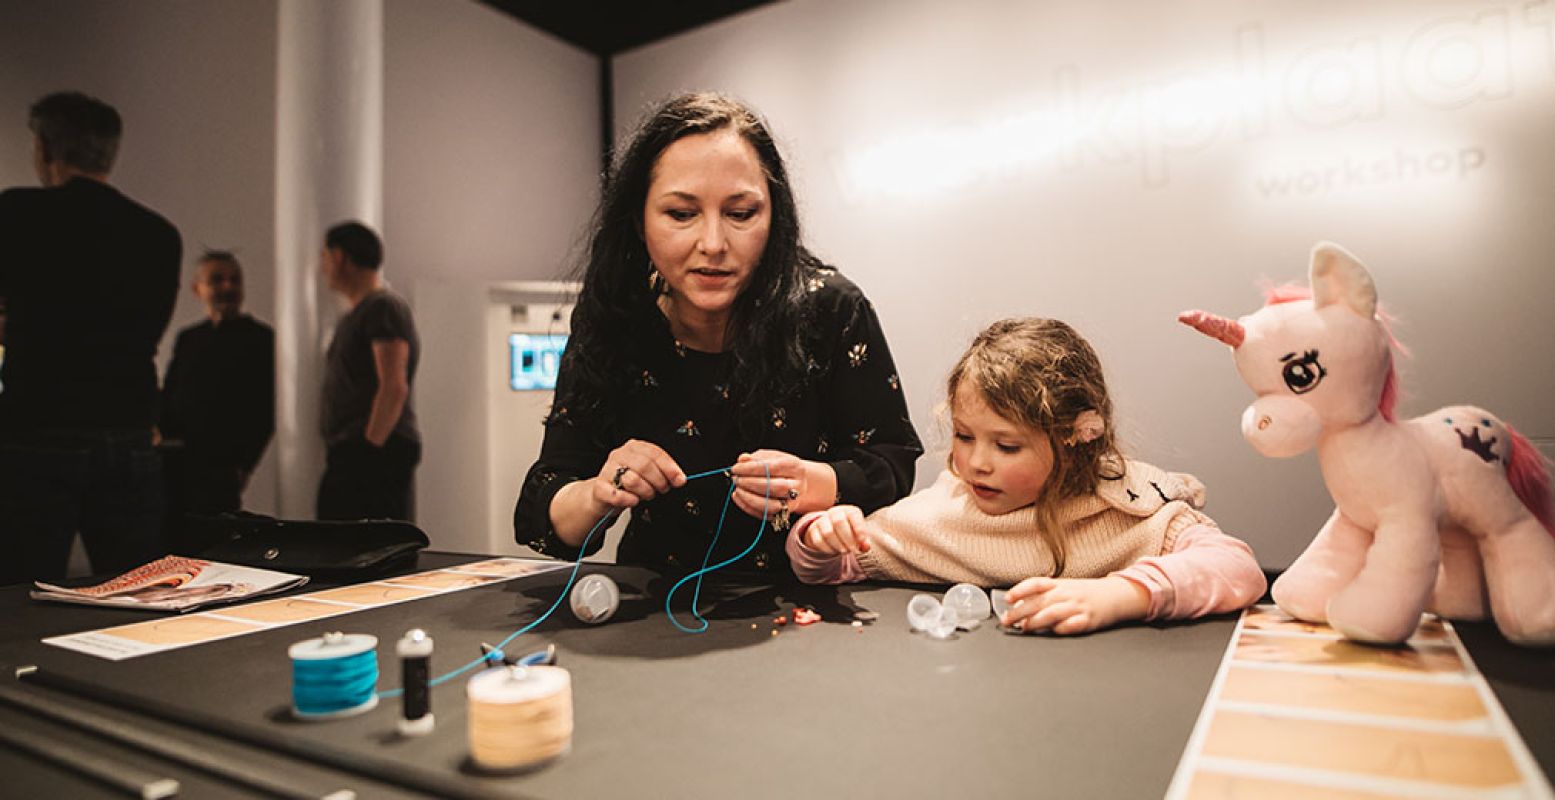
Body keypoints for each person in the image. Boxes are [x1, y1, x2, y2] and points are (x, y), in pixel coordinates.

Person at [513, 92, 922, 574]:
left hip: (808, 598)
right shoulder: (616, 314)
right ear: (639, 222)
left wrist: (818, 482)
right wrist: (600, 493)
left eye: (741, 214)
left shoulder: (831, 308)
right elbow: (543, 512)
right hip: (654, 604)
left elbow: (893, 464)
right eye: (681, 214)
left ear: (776, 218)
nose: (713, 245)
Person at [786, 318, 1266, 634]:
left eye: (1007, 445)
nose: (977, 463)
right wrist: (819, 537)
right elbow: (828, 570)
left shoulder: (1127, 507)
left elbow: (1239, 570)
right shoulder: (941, 514)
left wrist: (1120, 595)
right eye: (965, 436)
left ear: (1074, 438)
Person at [0, 91, 181, 584]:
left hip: (36, 431)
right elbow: (148, 331)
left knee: (20, 598)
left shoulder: (14, 214)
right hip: (127, 433)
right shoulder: (159, 235)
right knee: (136, 595)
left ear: (44, 148)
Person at [159, 250, 275, 542]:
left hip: (221, 466)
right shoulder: (189, 338)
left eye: (235, 280)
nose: (228, 287)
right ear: (198, 288)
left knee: (214, 545)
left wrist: (245, 465)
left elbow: (265, 406)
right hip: (176, 462)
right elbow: (171, 393)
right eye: (217, 280)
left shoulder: (259, 338)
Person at [317, 221, 420, 521]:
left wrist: (367, 452)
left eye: (324, 257)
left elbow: (393, 386)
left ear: (339, 257)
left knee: (367, 548)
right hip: (360, 450)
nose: (322, 268)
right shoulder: (362, 311)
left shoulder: (382, 307)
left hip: (372, 452)